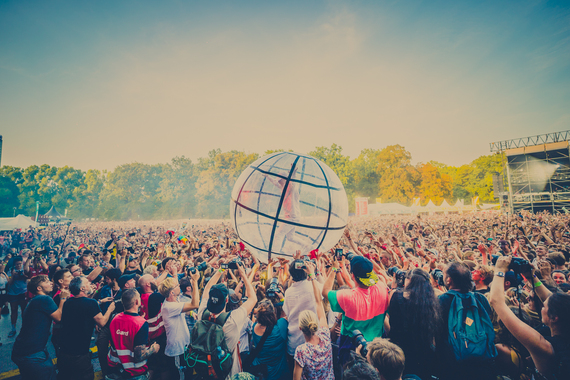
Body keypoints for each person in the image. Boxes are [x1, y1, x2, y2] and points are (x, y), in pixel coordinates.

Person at [490, 256, 570, 380]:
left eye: (544, 306)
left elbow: (496, 301)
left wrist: (499, 270)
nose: (541, 307)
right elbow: (553, 298)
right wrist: (531, 276)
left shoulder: (543, 346)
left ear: (554, 318)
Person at [322, 256, 389, 366]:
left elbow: (325, 291)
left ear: (353, 275)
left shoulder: (347, 297)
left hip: (352, 348)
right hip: (377, 347)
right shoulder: (382, 287)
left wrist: (334, 269)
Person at [196, 260, 258, 378]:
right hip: (227, 372)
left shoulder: (202, 312)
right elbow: (253, 299)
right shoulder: (232, 320)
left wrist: (220, 270)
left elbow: (207, 288)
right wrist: (243, 275)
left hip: (206, 368)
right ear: (226, 300)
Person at [437, 262, 497, 380]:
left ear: (449, 280)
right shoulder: (481, 299)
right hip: (482, 362)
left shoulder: (441, 300)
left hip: (453, 364)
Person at [11, 275, 69, 380]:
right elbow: (59, 318)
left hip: (25, 350)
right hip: (32, 353)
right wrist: (63, 298)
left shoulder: (36, 300)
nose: (51, 283)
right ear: (39, 288)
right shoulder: (44, 299)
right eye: (46, 281)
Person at [58, 276, 116, 380]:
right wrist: (110, 310)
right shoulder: (90, 303)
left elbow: (83, 305)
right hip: (80, 355)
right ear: (82, 289)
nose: (90, 284)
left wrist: (100, 301)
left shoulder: (68, 302)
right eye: (87, 283)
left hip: (64, 352)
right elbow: (102, 322)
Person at [387, 268, 439, 379]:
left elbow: (392, 322)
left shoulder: (397, 296)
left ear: (409, 279)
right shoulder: (431, 300)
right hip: (424, 349)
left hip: (401, 347)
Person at [293, 261, 334, 380]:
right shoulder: (325, 335)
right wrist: (312, 276)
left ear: (300, 328)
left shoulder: (301, 351)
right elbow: (318, 301)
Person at [108, 288, 160, 379]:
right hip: (134, 372)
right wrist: (153, 349)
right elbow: (139, 356)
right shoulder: (141, 324)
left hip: (116, 369)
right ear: (137, 301)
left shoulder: (114, 318)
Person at [158, 270, 200, 379]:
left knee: (188, 374)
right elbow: (195, 304)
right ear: (172, 292)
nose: (179, 286)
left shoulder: (175, 301)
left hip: (183, 347)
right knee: (181, 377)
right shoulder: (169, 306)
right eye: (176, 285)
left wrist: (190, 312)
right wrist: (195, 281)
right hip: (177, 351)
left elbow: (181, 308)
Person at [283, 259, 323, 366]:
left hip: (294, 342)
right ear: (306, 271)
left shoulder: (288, 292)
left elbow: (286, 312)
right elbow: (324, 289)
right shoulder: (314, 287)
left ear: (291, 275)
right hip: (314, 341)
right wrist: (314, 272)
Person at [249, 299, 290, 380]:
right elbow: (290, 314)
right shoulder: (280, 326)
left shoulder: (255, 327)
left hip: (263, 372)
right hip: (279, 372)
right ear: (273, 313)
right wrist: (282, 299)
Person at [7, 256, 28, 337]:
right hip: (13, 293)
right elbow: (9, 283)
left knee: (24, 310)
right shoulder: (10, 271)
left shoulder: (25, 269)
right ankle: (13, 328)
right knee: (13, 310)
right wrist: (12, 275)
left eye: (20, 263)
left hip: (23, 292)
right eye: (17, 264)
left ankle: (25, 328)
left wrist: (24, 275)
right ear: (14, 264)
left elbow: (28, 277)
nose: (19, 265)